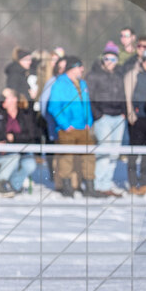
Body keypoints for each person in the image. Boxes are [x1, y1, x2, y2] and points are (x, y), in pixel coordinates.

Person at [47, 56, 101, 197]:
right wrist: (65, 124)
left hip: (84, 128)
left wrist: (89, 122)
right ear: (72, 68)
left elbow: (86, 105)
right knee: (66, 158)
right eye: (80, 66)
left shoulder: (82, 84)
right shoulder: (59, 84)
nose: (82, 69)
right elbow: (53, 107)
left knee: (88, 157)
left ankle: (90, 187)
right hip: (67, 129)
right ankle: (67, 187)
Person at [88, 44, 128, 196]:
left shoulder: (120, 74)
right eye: (106, 58)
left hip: (118, 117)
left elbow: (126, 94)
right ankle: (98, 184)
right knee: (104, 150)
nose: (109, 61)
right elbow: (89, 98)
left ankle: (106, 183)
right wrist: (98, 115)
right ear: (102, 59)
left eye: (113, 58)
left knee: (114, 152)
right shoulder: (94, 74)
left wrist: (124, 112)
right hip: (103, 117)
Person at [124, 48, 146, 195]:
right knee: (134, 152)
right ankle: (133, 184)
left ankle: (144, 183)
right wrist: (130, 113)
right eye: (145, 60)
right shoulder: (134, 75)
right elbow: (128, 95)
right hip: (137, 119)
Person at [0, 88, 39, 194]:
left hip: (24, 149)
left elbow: (31, 135)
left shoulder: (25, 115)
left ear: (14, 99)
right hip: (7, 150)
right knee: (12, 162)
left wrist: (14, 137)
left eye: (6, 98)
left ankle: (14, 185)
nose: (3, 100)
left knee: (30, 165)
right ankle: (13, 186)